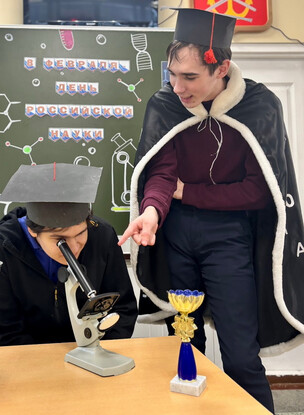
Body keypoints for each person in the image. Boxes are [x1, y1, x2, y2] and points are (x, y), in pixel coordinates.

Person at [119, 8, 304, 414]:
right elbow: (162, 173)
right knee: (186, 348)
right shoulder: (166, 104)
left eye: (189, 77)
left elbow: (259, 191)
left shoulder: (259, 105)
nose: (177, 87)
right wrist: (151, 211)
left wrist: (190, 192)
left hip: (230, 239)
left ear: (221, 68)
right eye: (172, 74)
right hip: (175, 236)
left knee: (241, 355)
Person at [0, 163, 138, 346]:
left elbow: (122, 309)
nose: (74, 248)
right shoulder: (0, 248)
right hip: (27, 357)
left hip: (95, 351)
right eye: (60, 240)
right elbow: (0, 331)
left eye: (81, 234)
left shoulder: (103, 236)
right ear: (32, 231)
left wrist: (97, 351)